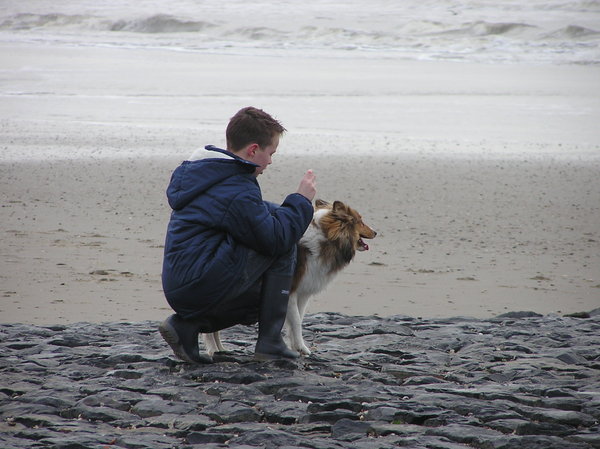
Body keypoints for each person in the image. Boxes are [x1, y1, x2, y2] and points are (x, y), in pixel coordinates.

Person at [159, 106, 316, 363]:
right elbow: (275, 238)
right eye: (270, 153)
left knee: (279, 226)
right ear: (253, 150)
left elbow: (257, 215)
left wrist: (287, 213)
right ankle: (270, 342)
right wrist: (300, 201)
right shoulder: (235, 187)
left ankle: (186, 327)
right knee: (283, 242)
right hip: (198, 285)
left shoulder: (210, 175)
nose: (270, 161)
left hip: (185, 285)